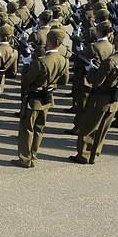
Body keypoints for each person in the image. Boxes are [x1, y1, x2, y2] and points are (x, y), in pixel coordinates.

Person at [70, 31, 118, 164]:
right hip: (115, 98)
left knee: (89, 127)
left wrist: (90, 70)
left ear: (117, 42)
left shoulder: (111, 61)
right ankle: (94, 154)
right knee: (103, 129)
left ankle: (83, 155)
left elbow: (96, 81)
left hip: (100, 98)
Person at [16, 28, 69, 167]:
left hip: (34, 99)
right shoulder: (63, 60)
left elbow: (27, 80)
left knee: (27, 129)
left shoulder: (41, 61)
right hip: (48, 98)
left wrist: (26, 64)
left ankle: (25, 158)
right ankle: (33, 154)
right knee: (39, 128)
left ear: (49, 41)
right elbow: (64, 81)